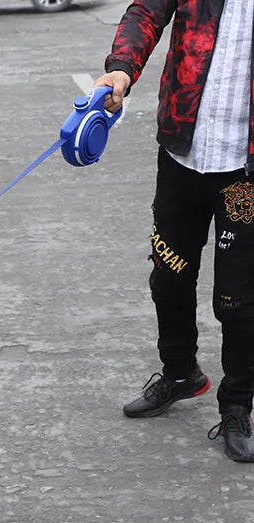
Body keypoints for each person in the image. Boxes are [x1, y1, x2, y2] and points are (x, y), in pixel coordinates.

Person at [95, 0, 254, 461]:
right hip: (182, 153)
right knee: (168, 277)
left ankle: (238, 405)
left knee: (239, 301)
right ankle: (181, 373)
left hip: (243, 175)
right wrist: (121, 70)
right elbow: (145, 12)